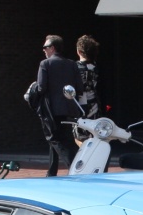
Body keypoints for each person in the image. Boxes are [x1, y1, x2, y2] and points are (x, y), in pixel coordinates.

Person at [35, 35, 83, 176]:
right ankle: (52, 171)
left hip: (51, 110)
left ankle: (75, 167)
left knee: (55, 139)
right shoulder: (72, 64)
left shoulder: (45, 64)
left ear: (52, 48)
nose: (43, 50)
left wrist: (34, 90)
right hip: (69, 109)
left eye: (45, 47)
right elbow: (79, 88)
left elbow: (41, 88)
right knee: (64, 137)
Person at [75, 34, 101, 118]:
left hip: (79, 106)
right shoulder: (97, 68)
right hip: (95, 106)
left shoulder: (74, 68)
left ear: (78, 52)